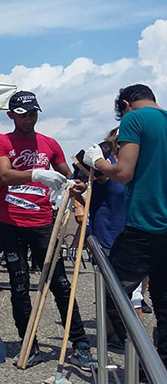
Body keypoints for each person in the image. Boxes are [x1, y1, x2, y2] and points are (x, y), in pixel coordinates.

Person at [0, 90, 95, 369]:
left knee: (60, 283)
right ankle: (29, 343)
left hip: (42, 221)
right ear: (11, 115)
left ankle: (80, 343)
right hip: (11, 222)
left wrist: (78, 186)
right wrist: (36, 173)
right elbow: (4, 174)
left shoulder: (49, 143)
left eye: (34, 113)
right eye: (24, 114)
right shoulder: (2, 142)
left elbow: (68, 178)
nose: (30, 119)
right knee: (19, 286)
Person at [83, 84, 167, 374]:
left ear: (126, 104)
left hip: (145, 224)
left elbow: (123, 173)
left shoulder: (135, 118)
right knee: (164, 304)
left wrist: (98, 161)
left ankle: (142, 360)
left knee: (112, 294)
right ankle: (158, 370)